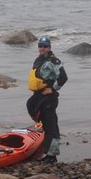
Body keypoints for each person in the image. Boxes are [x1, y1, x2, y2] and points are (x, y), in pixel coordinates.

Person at [26, 35, 68, 163]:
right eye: (40, 46)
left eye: (45, 46)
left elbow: (63, 77)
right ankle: (47, 151)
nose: (42, 48)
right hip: (38, 96)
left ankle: (52, 156)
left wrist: (53, 89)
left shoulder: (53, 61)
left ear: (49, 47)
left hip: (48, 97)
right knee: (40, 119)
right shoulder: (39, 59)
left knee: (51, 126)